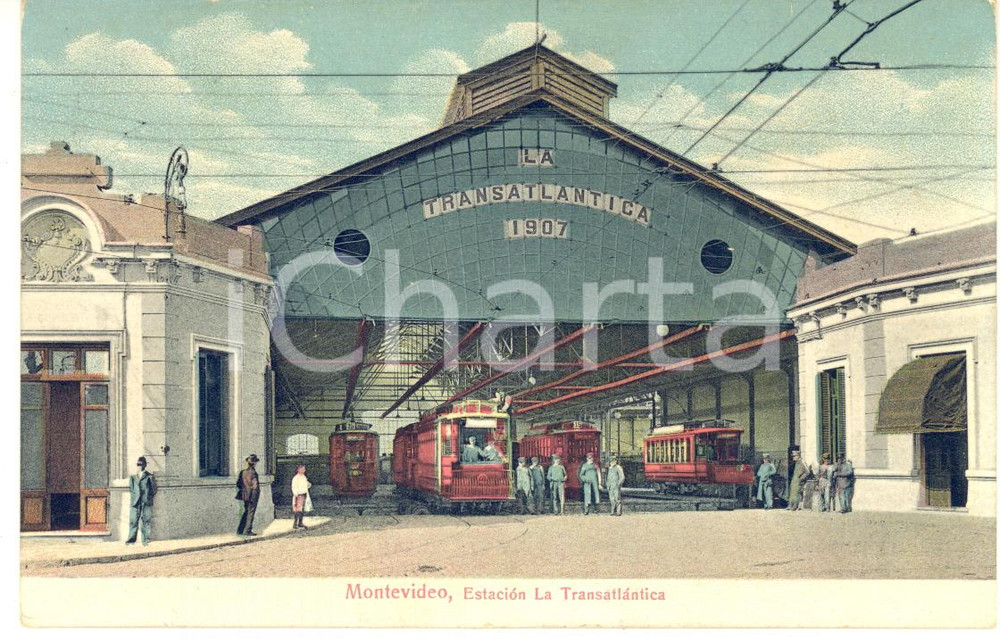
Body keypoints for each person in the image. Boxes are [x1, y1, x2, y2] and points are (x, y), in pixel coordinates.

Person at [126, 456, 156, 545]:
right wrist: (134, 498)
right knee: (133, 521)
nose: (140, 466)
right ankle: (131, 540)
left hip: (145, 502)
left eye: (142, 464)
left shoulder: (149, 476)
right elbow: (132, 489)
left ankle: (145, 540)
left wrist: (147, 497)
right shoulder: (133, 477)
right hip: (135, 503)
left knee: (145, 521)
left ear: (145, 465)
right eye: (138, 464)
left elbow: (154, 490)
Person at [236, 454, 261, 536]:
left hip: (244, 495)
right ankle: (247, 530)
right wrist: (256, 492)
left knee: (246, 511)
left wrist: (245, 490)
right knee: (251, 513)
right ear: (254, 463)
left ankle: (240, 530)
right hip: (252, 496)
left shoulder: (243, 472)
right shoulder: (253, 473)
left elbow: (238, 484)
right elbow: (255, 485)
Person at [291, 464, 313, 529]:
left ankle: (300, 522)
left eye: (304, 469)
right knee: (298, 510)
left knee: (302, 510)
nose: (304, 470)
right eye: (302, 469)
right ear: (298, 469)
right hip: (299, 495)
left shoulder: (303, 477)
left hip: (304, 494)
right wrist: (296, 494)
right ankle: (295, 523)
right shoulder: (296, 478)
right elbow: (294, 487)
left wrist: (308, 484)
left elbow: (307, 485)